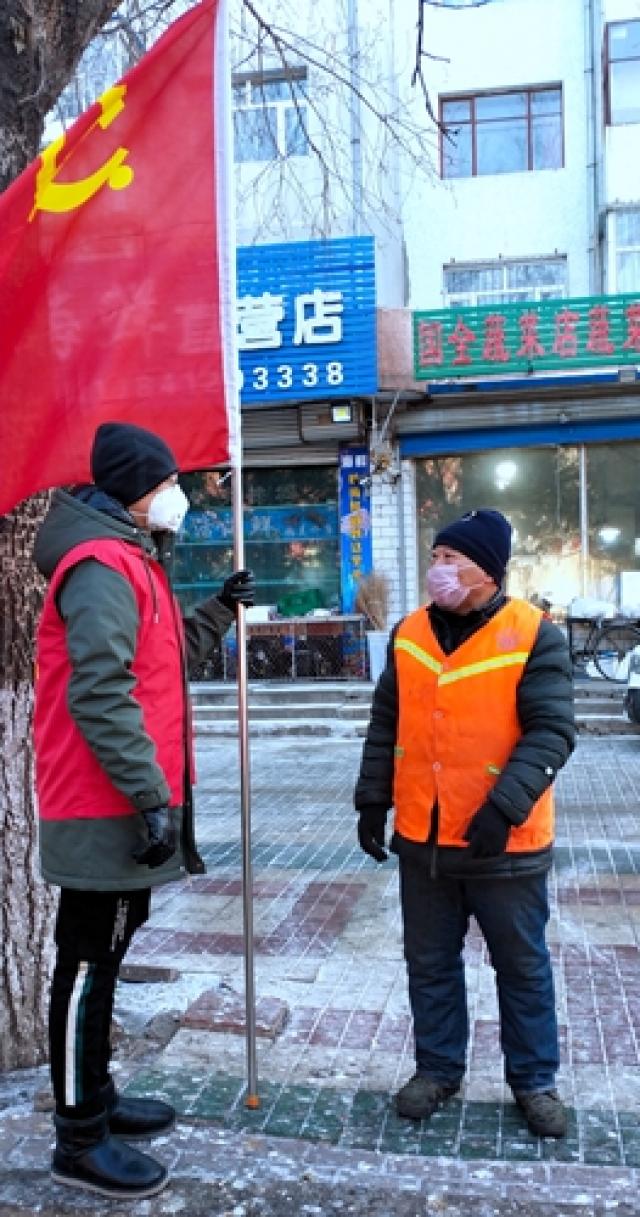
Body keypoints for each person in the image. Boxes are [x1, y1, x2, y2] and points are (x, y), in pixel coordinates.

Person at [33, 421, 255, 1199]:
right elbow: (100, 693)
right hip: (103, 804)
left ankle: (96, 1096)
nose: (177, 495)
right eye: (167, 483)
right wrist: (151, 793)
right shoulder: (99, 566)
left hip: (127, 801)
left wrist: (220, 610)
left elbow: (164, 662)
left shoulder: (135, 559)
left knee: (108, 956)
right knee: (87, 967)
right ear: (136, 489)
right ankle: (77, 1138)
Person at [354, 509, 575, 1139]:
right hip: (424, 842)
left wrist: (504, 807)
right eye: (436, 556)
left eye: (452, 558)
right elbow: (386, 724)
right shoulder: (408, 633)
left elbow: (552, 731)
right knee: (429, 963)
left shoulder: (534, 634)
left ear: (488, 570)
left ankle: (534, 1081)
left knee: (522, 968)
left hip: (504, 842)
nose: (439, 568)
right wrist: (372, 800)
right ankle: (438, 1069)